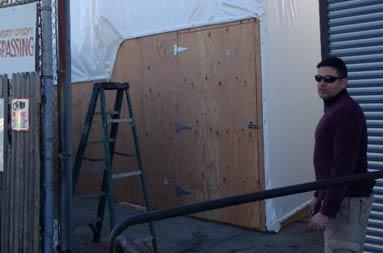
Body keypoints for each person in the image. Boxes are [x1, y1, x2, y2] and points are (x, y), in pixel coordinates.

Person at [309, 56, 375, 253]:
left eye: (329, 79)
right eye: (318, 78)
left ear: (344, 82)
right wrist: (318, 195)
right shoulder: (335, 108)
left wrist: (326, 211)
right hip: (340, 198)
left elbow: (343, 166)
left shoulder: (345, 112)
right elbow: (328, 161)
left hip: (347, 203)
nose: (322, 83)